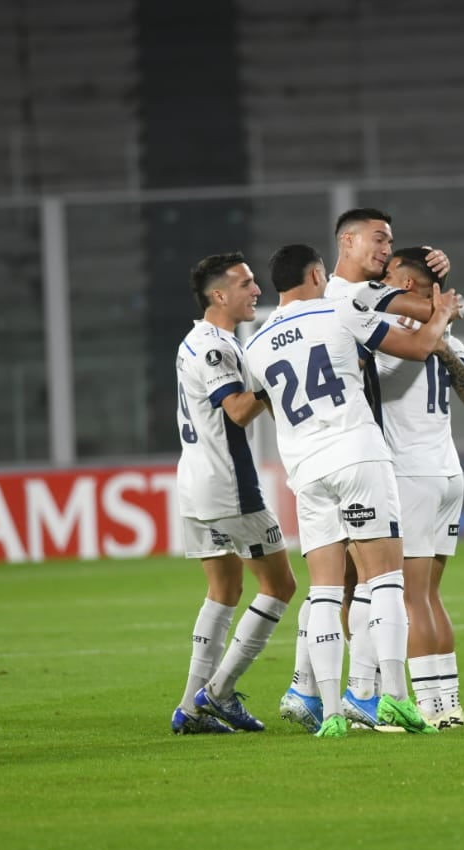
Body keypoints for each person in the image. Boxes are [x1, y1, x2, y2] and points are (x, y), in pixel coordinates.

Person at [244, 243, 458, 738]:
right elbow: (418, 348)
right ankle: (395, 701)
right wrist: (441, 314)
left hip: (306, 470)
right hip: (358, 455)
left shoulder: (255, 343)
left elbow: (268, 404)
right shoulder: (339, 310)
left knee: (322, 590)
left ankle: (333, 714)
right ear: (318, 273)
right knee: (383, 581)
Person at [170, 252, 298, 735]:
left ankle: (190, 708)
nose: (256, 289)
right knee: (281, 586)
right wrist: (278, 376)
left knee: (223, 591)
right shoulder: (216, 349)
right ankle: (218, 693)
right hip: (228, 485)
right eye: (245, 283)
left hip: (195, 483)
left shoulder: (197, 340)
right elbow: (239, 410)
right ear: (219, 295)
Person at [373, 249, 464, 729]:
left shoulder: (395, 341)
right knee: (431, 596)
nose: (384, 281)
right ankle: (449, 704)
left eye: (393, 276)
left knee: (409, 598)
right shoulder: (449, 341)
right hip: (448, 474)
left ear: (414, 289)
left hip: (412, 475)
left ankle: (428, 707)